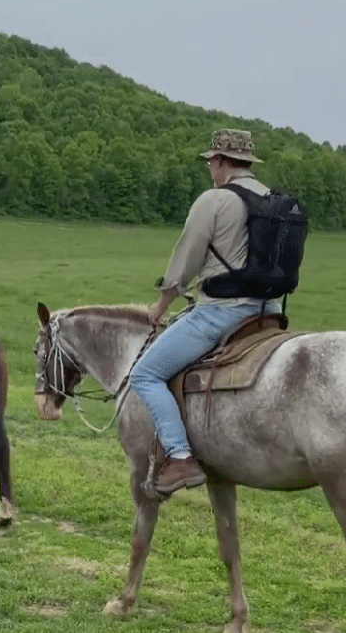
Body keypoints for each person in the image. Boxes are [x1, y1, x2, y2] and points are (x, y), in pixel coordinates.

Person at [128, 129, 282, 496]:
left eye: (212, 161)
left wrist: (161, 306)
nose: (211, 167)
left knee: (146, 374)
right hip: (269, 311)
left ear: (222, 162)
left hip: (223, 312)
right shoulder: (272, 200)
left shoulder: (213, 200)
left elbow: (185, 260)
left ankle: (180, 458)